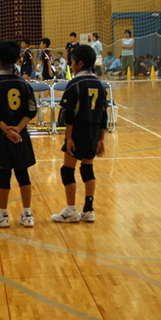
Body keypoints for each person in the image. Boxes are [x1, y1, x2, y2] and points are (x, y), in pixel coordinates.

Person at [0, 40, 37, 228]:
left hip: (1, 135)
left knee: (3, 174)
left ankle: (3, 215)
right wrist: (18, 129)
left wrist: (8, 131)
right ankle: (27, 214)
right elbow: (31, 110)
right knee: (23, 173)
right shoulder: (23, 84)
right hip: (21, 135)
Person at [51, 45, 106, 223]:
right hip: (94, 132)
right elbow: (104, 114)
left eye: (72, 62)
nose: (70, 65)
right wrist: (101, 139)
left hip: (78, 131)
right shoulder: (99, 84)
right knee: (87, 168)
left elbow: (69, 115)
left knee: (67, 170)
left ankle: (71, 210)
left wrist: (69, 138)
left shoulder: (74, 84)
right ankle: (89, 209)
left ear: (80, 63)